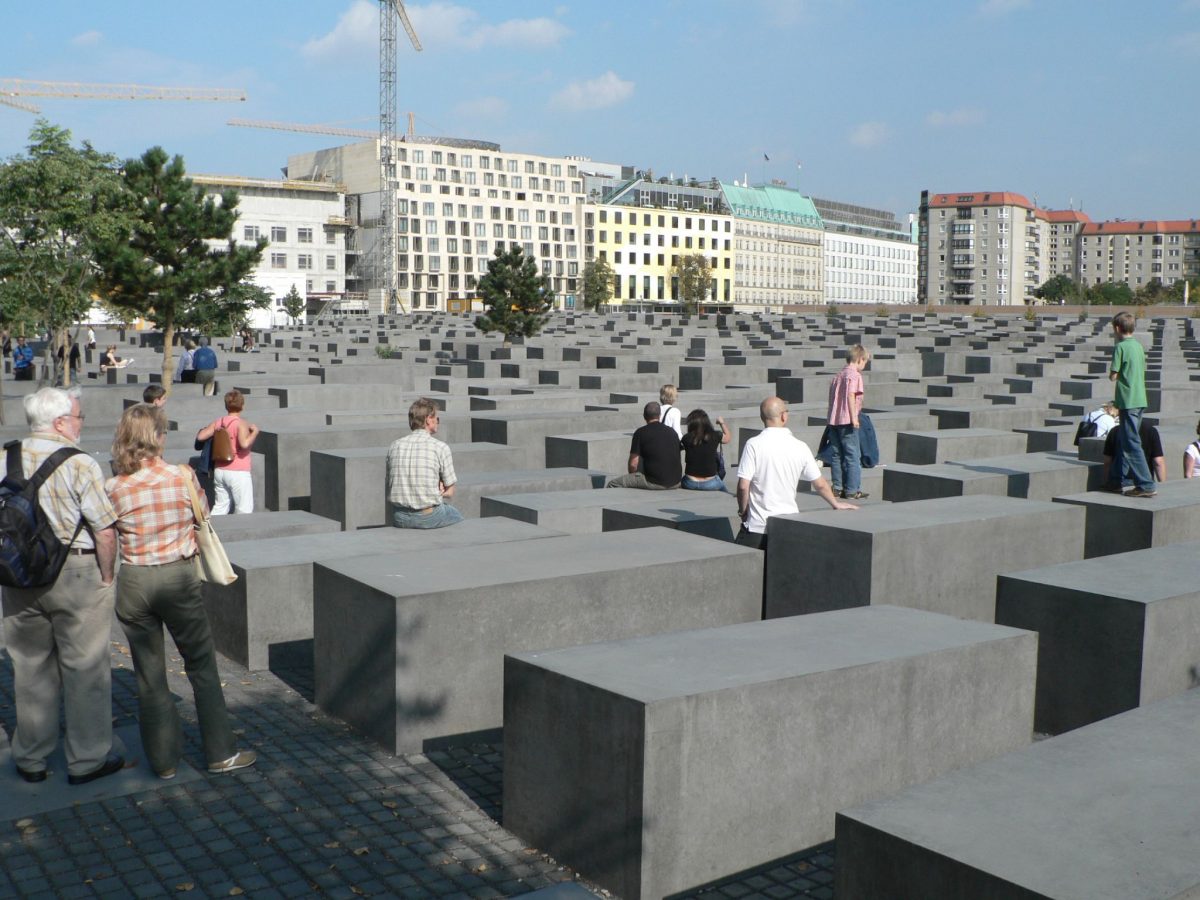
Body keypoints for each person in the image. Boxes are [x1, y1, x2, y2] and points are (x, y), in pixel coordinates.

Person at [105, 404, 256, 779]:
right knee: (202, 667)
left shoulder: (113, 487)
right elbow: (200, 515)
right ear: (157, 437)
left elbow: (107, 535)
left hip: (134, 580)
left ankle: (164, 763)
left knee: (149, 676)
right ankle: (221, 753)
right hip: (177, 579)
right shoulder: (182, 476)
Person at [0, 387, 122, 785]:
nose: (81, 423)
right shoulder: (80, 463)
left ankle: (31, 758)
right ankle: (86, 760)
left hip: (18, 577)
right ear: (59, 422)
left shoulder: (6, 457)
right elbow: (104, 529)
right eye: (78, 417)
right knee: (84, 667)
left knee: (30, 667)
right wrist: (107, 577)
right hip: (76, 574)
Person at [736, 396, 856, 552]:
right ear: (784, 416)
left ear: (762, 418)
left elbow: (743, 486)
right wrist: (835, 503)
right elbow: (819, 484)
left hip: (757, 528)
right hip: (788, 526)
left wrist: (743, 510)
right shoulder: (801, 446)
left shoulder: (753, 444)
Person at [386, 397, 462, 528]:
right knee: (456, 515)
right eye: (437, 418)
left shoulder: (394, 446)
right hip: (429, 516)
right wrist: (437, 490)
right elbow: (450, 492)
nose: (438, 422)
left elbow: (390, 483)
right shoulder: (440, 447)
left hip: (398, 517)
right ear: (428, 419)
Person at [1102, 311, 1155, 497]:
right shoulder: (1139, 346)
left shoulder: (1121, 347)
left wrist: (1113, 373)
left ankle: (1146, 484)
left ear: (1117, 328)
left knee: (1132, 442)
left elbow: (1114, 375)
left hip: (1128, 400)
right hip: (1140, 398)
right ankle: (1116, 480)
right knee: (1126, 440)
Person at [195, 389, 259, 514]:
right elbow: (244, 444)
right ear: (242, 406)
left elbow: (201, 437)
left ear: (226, 406)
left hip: (220, 469)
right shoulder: (241, 424)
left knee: (220, 507)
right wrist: (255, 432)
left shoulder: (220, 421)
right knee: (244, 508)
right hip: (239, 471)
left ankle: (213, 531)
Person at [826, 344, 871, 500]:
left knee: (837, 455)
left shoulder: (838, 376)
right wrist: (854, 418)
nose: (865, 365)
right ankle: (852, 490)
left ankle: (837, 488)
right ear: (859, 359)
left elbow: (832, 400)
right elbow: (851, 395)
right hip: (847, 421)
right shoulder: (855, 376)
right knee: (853, 456)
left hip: (833, 421)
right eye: (865, 361)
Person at [606, 401, 682, 490]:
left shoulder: (640, 432)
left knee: (613, 484)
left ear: (644, 416)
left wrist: (634, 476)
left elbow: (633, 464)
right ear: (659, 415)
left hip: (654, 482)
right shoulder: (672, 432)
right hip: (676, 481)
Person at [1103, 418, 1165, 487]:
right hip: (1143, 482)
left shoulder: (1115, 431)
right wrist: (1162, 485)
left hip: (1119, 482)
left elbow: (1107, 462)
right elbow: (1158, 462)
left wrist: (1107, 482)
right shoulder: (1151, 431)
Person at [680, 409, 731, 491]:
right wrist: (722, 423)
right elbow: (728, 438)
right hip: (710, 482)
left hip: (690, 482)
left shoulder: (686, 438)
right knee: (725, 491)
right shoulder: (715, 435)